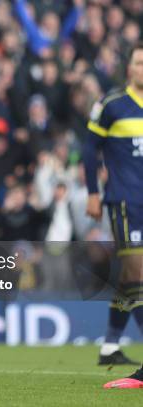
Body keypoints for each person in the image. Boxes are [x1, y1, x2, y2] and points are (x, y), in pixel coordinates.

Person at [84, 42, 143, 388]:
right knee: (138, 272)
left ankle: (109, 346)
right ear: (130, 69)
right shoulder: (111, 105)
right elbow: (90, 147)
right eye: (139, 62)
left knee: (129, 279)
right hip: (124, 202)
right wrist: (92, 191)